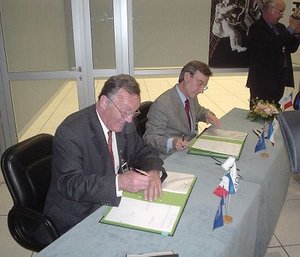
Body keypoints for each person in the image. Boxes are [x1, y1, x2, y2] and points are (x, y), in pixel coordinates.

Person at [43, 74, 166, 237]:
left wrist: (154, 172)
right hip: (77, 214)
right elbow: (70, 184)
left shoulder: (125, 123)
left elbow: (144, 151)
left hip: (111, 205)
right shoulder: (71, 132)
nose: (129, 120)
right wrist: (119, 182)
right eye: (125, 112)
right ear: (104, 102)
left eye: (133, 113)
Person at [143, 60, 221, 158]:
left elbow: (198, 111)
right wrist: (172, 142)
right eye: (200, 84)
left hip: (189, 149)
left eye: (204, 86)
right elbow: (150, 137)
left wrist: (207, 115)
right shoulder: (163, 104)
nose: (201, 91)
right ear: (187, 77)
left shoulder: (190, 95)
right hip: (171, 156)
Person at [246, 0, 300, 108]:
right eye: (279, 12)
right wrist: (291, 27)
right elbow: (273, 45)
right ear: (270, 10)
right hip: (262, 83)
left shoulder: (280, 28)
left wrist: (297, 32)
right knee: (260, 115)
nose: (281, 15)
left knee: (275, 114)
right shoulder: (257, 28)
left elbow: (291, 48)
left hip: (279, 80)